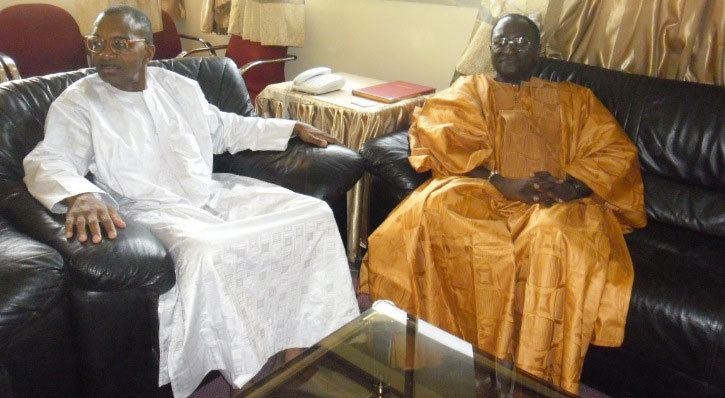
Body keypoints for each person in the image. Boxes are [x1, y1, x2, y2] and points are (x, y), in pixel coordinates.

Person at [23, 5, 359, 397]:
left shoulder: (179, 87)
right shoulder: (79, 102)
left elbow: (224, 128)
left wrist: (290, 128)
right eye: (95, 44)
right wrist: (80, 193)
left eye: (119, 44)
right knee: (209, 249)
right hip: (149, 209)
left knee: (312, 214)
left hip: (212, 192)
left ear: (148, 50)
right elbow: (49, 159)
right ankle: (246, 379)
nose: (103, 54)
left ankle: (297, 357)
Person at [358, 14, 646, 394]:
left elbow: (614, 152)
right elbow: (442, 135)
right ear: (491, 49)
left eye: (520, 42)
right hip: (485, 191)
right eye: (501, 42)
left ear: (539, 51)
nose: (508, 48)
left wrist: (570, 187)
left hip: (551, 203)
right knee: (431, 208)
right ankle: (463, 361)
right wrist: (500, 181)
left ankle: (532, 377)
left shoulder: (574, 99)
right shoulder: (471, 90)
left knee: (556, 238)